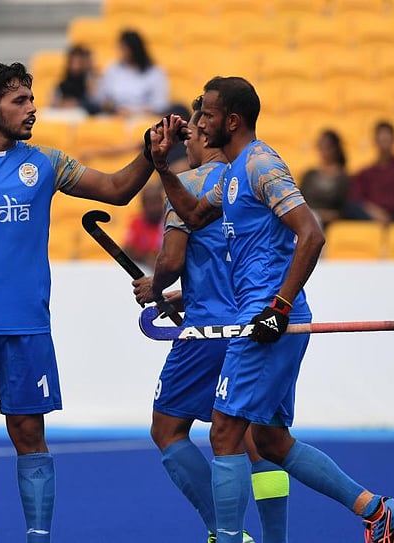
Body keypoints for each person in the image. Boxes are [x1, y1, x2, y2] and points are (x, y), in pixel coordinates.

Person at [0, 62, 163, 543]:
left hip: (27, 328)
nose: (33, 108)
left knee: (28, 436)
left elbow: (118, 190)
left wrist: (149, 153)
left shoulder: (46, 163)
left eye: (32, 99)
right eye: (21, 100)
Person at [148, 76, 394, 543]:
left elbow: (311, 233)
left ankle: (229, 539)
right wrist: (162, 167)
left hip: (267, 321)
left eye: (206, 114)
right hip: (264, 318)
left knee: (225, 435)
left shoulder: (261, 164)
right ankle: (377, 510)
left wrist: (279, 306)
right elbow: (191, 214)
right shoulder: (232, 173)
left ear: (231, 121)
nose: (198, 123)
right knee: (270, 442)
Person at [132, 97, 288, 543]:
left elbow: (173, 258)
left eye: (191, 134)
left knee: (167, 429)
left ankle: (225, 532)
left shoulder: (190, 185)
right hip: (251, 322)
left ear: (203, 132)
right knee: (260, 442)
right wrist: (183, 293)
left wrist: (158, 288)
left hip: (205, 331)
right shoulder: (246, 179)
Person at [94, 29, 170, 117]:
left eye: (124, 49)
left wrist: (133, 112)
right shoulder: (112, 69)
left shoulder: (155, 72)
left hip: (144, 118)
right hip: (115, 117)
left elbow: (160, 105)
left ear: (134, 49)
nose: (120, 52)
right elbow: (102, 99)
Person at [299, 129, 360, 228]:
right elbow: (300, 200)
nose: (322, 150)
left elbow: (344, 209)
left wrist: (322, 215)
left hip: (329, 224)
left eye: (326, 146)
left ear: (335, 149)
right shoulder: (309, 175)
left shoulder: (343, 178)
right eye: (320, 146)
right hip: (308, 218)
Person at [123, 182, 165, 271]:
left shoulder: (169, 222)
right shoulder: (136, 223)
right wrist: (146, 258)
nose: (155, 208)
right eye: (151, 203)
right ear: (143, 205)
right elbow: (127, 250)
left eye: (157, 202)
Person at [50, 45, 99, 114]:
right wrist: (61, 104)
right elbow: (53, 103)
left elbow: (97, 105)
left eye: (79, 63)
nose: (75, 67)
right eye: (73, 62)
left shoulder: (90, 82)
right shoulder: (62, 83)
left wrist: (77, 103)